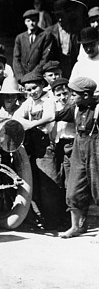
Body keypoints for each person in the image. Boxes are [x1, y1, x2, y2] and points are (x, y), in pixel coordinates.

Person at [13, 72, 66, 229]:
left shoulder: (49, 101)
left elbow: (49, 120)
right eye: (28, 90)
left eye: (34, 88)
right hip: (32, 147)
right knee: (35, 183)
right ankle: (43, 219)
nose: (32, 92)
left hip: (46, 147)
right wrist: (30, 123)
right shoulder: (29, 102)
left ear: (42, 85)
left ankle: (57, 220)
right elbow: (16, 116)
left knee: (50, 184)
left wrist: (30, 124)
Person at [53, 77, 99, 239]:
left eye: (74, 94)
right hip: (79, 147)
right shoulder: (75, 108)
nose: (70, 97)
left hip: (96, 148)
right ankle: (76, 227)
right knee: (73, 190)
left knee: (98, 189)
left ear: (86, 95)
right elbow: (55, 115)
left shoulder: (98, 108)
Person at [13, 9, 56, 81]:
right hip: (23, 78)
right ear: (25, 22)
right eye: (28, 21)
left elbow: (45, 58)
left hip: (38, 76)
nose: (31, 23)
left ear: (38, 20)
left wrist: (33, 76)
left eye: (33, 20)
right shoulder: (20, 37)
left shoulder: (46, 35)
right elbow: (16, 59)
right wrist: (20, 77)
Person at [50, 77, 75, 194]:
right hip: (59, 144)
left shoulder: (72, 106)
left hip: (71, 143)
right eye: (58, 95)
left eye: (65, 93)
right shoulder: (55, 106)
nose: (62, 97)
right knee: (61, 176)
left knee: (72, 178)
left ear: (70, 93)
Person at [46, 0, 81, 78]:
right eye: (58, 16)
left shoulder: (76, 30)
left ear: (68, 14)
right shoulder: (49, 31)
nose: (60, 19)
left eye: (62, 16)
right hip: (56, 69)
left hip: (72, 67)